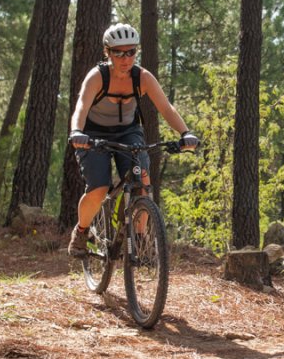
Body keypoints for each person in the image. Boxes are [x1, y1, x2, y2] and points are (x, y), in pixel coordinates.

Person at [67, 23, 199, 257]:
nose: (126, 58)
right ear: (107, 52)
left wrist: (185, 133)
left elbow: (166, 108)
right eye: (119, 53)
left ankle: (139, 237)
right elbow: (81, 107)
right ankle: (81, 231)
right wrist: (77, 132)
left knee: (142, 182)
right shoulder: (97, 77)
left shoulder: (142, 77)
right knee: (99, 188)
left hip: (128, 131)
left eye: (131, 52)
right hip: (93, 133)